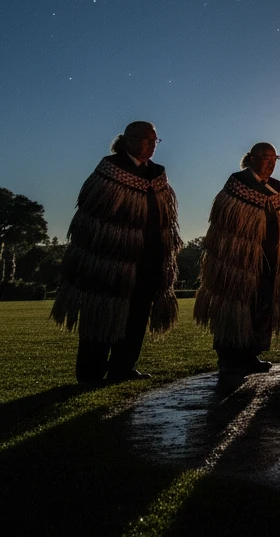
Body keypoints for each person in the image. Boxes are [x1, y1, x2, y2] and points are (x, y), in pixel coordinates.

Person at [51, 121, 182, 384]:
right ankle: (90, 372)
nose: (151, 145)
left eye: (154, 141)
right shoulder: (109, 170)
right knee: (103, 314)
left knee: (137, 316)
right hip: (109, 260)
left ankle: (123, 367)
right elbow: (89, 219)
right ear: (128, 140)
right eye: (145, 139)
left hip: (149, 259)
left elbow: (166, 218)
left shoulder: (157, 174)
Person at [194, 142, 280, 375]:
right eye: (264, 157)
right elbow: (223, 221)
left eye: (274, 159)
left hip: (268, 261)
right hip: (238, 263)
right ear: (250, 159)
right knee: (234, 306)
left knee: (261, 306)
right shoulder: (237, 182)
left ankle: (251, 354)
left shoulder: (277, 187)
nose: (270, 163)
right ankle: (228, 357)